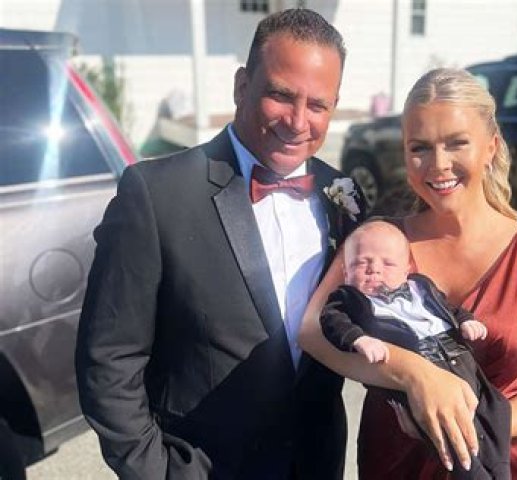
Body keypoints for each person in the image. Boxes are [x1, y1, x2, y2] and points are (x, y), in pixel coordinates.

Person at [75, 9, 368, 480]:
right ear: (241, 86)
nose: (298, 121)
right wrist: (159, 471)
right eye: (281, 95)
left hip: (315, 465)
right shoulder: (156, 194)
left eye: (318, 105)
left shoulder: (345, 198)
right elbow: (109, 359)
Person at [299, 68, 517, 480]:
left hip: (505, 463)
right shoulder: (379, 242)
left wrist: (470, 425)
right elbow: (312, 329)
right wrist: (411, 373)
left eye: (457, 143)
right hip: (396, 464)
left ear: (491, 146)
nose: (438, 165)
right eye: (419, 147)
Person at [320, 220, 511, 480]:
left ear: (407, 269)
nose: (374, 270)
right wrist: (359, 339)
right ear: (345, 271)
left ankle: (500, 469)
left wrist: (466, 321)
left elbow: (449, 308)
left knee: (497, 407)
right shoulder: (349, 299)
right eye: (361, 263)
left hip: (456, 353)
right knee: (444, 427)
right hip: (421, 362)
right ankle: (472, 473)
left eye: (387, 264)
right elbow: (332, 319)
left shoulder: (421, 286)